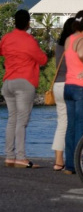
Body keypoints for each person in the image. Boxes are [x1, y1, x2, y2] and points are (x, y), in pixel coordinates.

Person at [1, 9, 48, 168]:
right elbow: (42, 59)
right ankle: (21, 157)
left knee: (12, 119)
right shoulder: (29, 41)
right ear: (28, 23)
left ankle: (9, 155)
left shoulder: (6, 38)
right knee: (22, 121)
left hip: (8, 81)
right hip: (25, 81)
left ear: (14, 22)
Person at [63, 10, 83, 175]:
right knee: (81, 129)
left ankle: (70, 165)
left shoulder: (69, 39)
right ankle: (82, 165)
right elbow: (82, 53)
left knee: (71, 127)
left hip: (68, 86)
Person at [51, 16, 76, 171]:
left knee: (62, 123)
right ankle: (72, 158)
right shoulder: (74, 44)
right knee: (73, 123)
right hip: (70, 84)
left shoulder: (59, 46)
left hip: (57, 85)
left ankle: (58, 159)